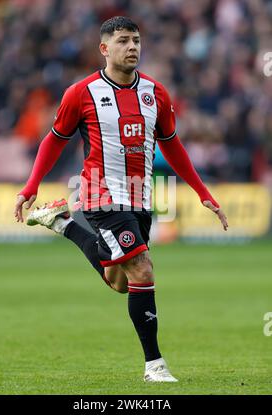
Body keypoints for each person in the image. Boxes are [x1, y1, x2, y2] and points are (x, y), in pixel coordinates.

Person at [14, 16, 228, 383]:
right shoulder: (81, 93)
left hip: (140, 198)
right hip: (101, 195)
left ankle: (63, 223)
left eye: (137, 41)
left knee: (121, 282)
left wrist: (202, 191)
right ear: (104, 49)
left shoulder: (156, 93)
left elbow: (172, 144)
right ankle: (155, 366)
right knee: (142, 268)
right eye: (124, 41)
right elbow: (55, 139)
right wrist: (31, 185)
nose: (132, 47)